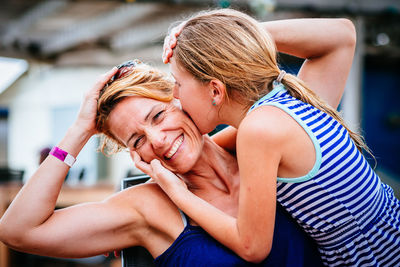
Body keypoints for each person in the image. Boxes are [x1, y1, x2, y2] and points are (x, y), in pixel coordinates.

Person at [134, 8, 400, 266]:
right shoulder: (284, 102)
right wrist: (229, 40)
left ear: (215, 91)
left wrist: (177, 192)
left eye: (178, 84)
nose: (176, 96)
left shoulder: (258, 131)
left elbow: (252, 247)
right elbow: (342, 35)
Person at [0, 61, 323, 266]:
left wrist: (201, 42)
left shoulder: (259, 141)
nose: (156, 140)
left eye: (158, 115)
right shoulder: (148, 207)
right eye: (137, 141)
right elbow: (17, 231)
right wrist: (79, 130)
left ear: (181, 99)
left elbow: (338, 39)